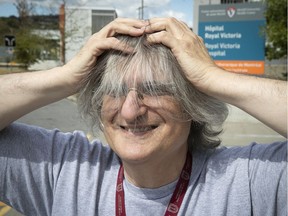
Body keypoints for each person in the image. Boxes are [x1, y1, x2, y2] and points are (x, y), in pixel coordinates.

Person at [0, 17, 286, 216]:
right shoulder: (63, 169)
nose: (130, 110)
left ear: (191, 103)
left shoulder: (247, 181)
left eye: (154, 89)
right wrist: (63, 77)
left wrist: (214, 78)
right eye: (114, 90)